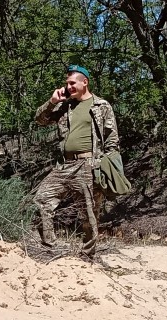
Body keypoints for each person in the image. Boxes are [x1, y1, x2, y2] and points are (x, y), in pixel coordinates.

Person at [33, 65, 119, 257]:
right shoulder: (65, 106)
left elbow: (112, 138)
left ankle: (87, 256)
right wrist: (52, 101)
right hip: (64, 165)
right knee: (41, 199)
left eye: (72, 83)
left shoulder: (101, 106)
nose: (68, 86)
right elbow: (39, 119)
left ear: (85, 82)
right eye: (67, 83)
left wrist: (107, 166)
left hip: (88, 165)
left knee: (89, 214)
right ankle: (50, 249)